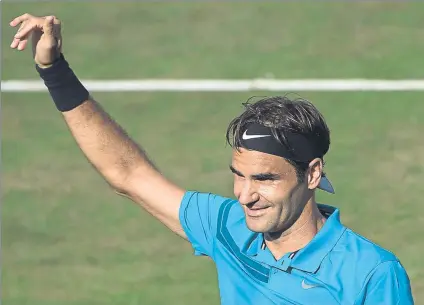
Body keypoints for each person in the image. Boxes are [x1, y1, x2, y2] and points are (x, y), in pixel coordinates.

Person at [10, 13, 414, 305]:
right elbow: (127, 172)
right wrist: (53, 70)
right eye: (238, 176)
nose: (245, 195)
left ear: (312, 173)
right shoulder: (228, 227)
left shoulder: (371, 273)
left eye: (265, 179)